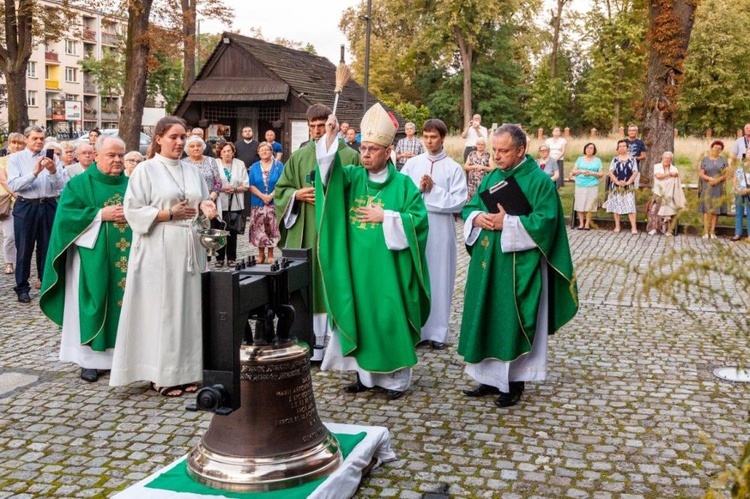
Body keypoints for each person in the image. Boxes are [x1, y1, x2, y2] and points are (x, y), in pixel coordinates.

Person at [459, 124, 578, 408]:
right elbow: (470, 206)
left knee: (511, 319)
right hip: (489, 264)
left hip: (518, 266)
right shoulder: (492, 178)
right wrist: (477, 218)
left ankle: (513, 383)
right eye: (494, 151)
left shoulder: (539, 181)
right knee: (486, 314)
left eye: (503, 151)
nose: (497, 157)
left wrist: (508, 223)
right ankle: (487, 378)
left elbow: (546, 222)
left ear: (521, 150)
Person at [316, 104, 430, 400]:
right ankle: (364, 377)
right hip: (356, 265)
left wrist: (389, 217)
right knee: (360, 315)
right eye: (363, 148)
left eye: (372, 149)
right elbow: (327, 176)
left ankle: (394, 381)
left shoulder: (404, 185)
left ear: (388, 151)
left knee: (387, 316)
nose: (365, 154)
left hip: (389, 269)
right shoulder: (352, 176)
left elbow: (418, 223)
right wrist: (330, 139)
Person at [110, 116, 218, 397]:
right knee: (164, 311)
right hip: (158, 247)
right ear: (158, 139)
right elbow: (132, 211)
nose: (180, 142)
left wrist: (207, 207)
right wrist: (169, 214)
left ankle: (189, 371)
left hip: (190, 246)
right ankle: (162, 375)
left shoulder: (192, 170)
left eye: (183, 137)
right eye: (173, 137)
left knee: (189, 310)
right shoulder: (145, 171)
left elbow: (202, 199)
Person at [39, 136, 131, 383]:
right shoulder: (78, 185)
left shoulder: (133, 185)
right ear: (96, 156)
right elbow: (66, 219)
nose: (117, 160)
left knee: (126, 305)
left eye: (121, 155)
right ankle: (88, 360)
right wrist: (100, 214)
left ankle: (122, 358)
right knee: (94, 302)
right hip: (91, 258)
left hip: (129, 258)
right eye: (111, 155)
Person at [274, 103, 361, 362]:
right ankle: (308, 342)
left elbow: (357, 194)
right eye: (311, 126)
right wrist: (296, 194)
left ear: (332, 124)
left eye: (320, 126)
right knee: (307, 284)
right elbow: (282, 189)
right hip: (306, 230)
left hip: (335, 232)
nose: (315, 131)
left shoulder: (349, 156)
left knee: (334, 281)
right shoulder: (300, 156)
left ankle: (336, 344)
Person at [401, 119, 466, 350]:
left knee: (440, 277)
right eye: (426, 137)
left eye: (434, 137)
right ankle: (417, 329)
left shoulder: (453, 168)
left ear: (443, 138)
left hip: (440, 229)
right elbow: (402, 194)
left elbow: (459, 202)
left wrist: (434, 190)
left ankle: (438, 332)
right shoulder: (412, 165)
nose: (429, 141)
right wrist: (418, 190)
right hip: (415, 226)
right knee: (417, 276)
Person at [7, 125, 68, 303]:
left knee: (47, 247)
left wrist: (52, 171)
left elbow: (61, 186)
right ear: (26, 139)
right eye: (35, 138)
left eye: (41, 138)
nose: (39, 142)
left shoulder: (53, 157)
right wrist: (34, 173)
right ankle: (22, 287)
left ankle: (46, 283)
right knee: (24, 247)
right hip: (27, 205)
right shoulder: (16, 159)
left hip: (48, 204)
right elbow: (15, 186)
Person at [214, 141, 249, 267]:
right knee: (219, 230)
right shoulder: (215, 163)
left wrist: (234, 189)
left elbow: (246, 184)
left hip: (235, 201)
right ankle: (219, 258)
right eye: (224, 151)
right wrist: (222, 189)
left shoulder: (240, 164)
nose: (227, 153)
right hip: (219, 201)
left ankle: (231, 258)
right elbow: (213, 182)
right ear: (220, 153)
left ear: (233, 152)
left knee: (232, 231)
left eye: (229, 151)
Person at [248, 142, 283, 263]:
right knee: (258, 228)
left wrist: (271, 195)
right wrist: (263, 196)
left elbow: (281, 183)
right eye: (261, 150)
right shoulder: (254, 167)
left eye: (267, 150)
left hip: (274, 202)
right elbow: (251, 185)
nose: (264, 152)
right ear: (258, 152)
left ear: (271, 151)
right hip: (258, 201)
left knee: (272, 227)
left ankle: (271, 254)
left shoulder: (279, 166)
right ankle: (260, 254)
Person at [0, 133, 26, 275]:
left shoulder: (27, 162)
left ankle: (21, 261)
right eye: (13, 143)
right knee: (9, 235)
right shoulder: (3, 161)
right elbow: (4, 180)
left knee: (23, 235)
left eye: (20, 143)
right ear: (9, 144)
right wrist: (17, 194)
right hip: (8, 202)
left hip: (25, 202)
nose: (16, 146)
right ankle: (9, 262)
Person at [649, 151, 686, 236]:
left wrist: (673, 175)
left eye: (669, 159)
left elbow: (676, 180)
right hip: (658, 192)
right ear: (662, 158)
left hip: (670, 193)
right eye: (665, 158)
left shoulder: (674, 169)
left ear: (671, 160)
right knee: (655, 211)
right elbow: (658, 176)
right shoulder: (657, 166)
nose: (667, 160)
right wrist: (669, 174)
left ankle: (669, 230)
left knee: (670, 211)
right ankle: (654, 228)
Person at [606, 139, 639, 234]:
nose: (622, 148)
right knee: (616, 205)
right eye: (620, 146)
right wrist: (616, 181)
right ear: (618, 148)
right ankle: (617, 226)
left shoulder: (632, 159)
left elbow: (635, 172)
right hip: (616, 186)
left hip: (628, 186)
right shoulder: (615, 159)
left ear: (627, 147)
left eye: (624, 146)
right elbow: (610, 172)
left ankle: (634, 227)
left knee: (630, 206)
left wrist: (628, 182)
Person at [698, 140, 729, 239]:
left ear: (721, 150)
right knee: (706, 209)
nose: (717, 150)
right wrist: (710, 179)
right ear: (711, 148)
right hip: (707, 186)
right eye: (715, 147)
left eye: (719, 148)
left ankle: (712, 232)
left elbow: (726, 174)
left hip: (718, 187)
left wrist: (718, 180)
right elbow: (701, 173)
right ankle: (706, 232)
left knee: (716, 209)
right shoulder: (705, 160)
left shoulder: (723, 160)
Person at [571, 142, 604, 230]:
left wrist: (592, 173)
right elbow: (574, 171)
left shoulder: (597, 160)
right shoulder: (579, 159)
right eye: (587, 148)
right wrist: (581, 171)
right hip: (580, 184)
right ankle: (581, 223)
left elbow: (601, 174)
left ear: (594, 150)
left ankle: (587, 224)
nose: (589, 149)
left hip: (592, 185)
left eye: (591, 148)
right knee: (580, 204)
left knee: (590, 205)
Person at [463, 137, 492, 201]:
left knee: (483, 199)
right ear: (476, 145)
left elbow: (492, 168)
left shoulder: (488, 155)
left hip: (483, 181)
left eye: (482, 144)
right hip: (472, 183)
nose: (480, 146)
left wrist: (483, 167)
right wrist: (473, 166)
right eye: (478, 144)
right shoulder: (471, 154)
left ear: (485, 145)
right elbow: (465, 167)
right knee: (471, 199)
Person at [732, 153, 750, 241]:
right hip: (739, 192)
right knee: (739, 213)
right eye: (749, 152)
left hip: (748, 192)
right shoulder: (741, 166)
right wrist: (738, 190)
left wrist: (747, 191)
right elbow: (735, 179)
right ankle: (737, 233)